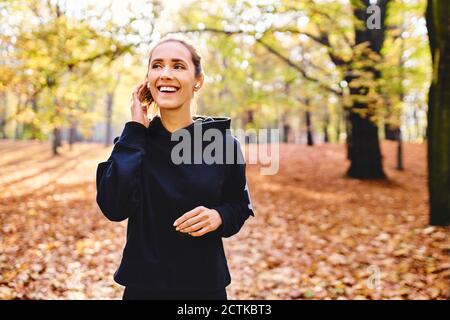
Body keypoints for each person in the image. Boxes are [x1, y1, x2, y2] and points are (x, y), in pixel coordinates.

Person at [95, 36, 255, 300]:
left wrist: (220, 216)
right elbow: (113, 206)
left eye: (178, 66)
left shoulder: (222, 143)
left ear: (197, 82)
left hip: (204, 289)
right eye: (157, 66)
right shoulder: (133, 143)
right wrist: (135, 129)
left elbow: (239, 204)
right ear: (147, 80)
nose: (165, 74)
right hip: (143, 288)